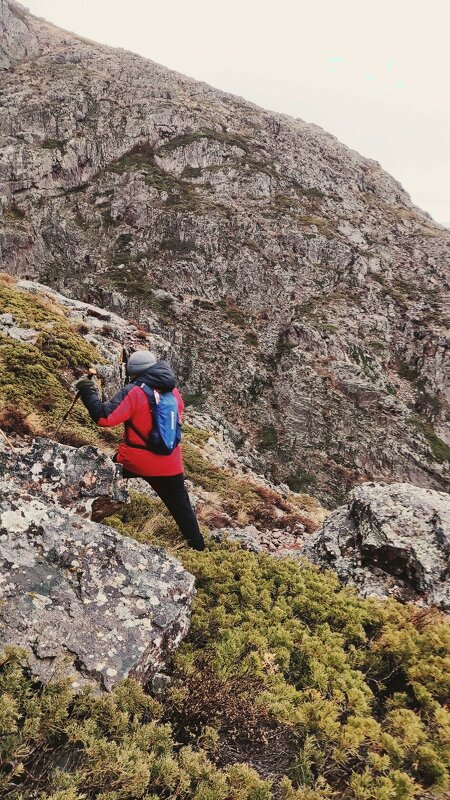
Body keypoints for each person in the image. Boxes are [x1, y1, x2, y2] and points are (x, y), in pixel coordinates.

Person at [75, 350, 205, 551]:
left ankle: (76, 510)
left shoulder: (135, 391)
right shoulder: (174, 392)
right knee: (181, 507)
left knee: (101, 476)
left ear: (133, 372)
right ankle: (198, 548)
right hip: (170, 463)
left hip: (134, 460)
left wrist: (87, 390)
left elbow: (104, 418)